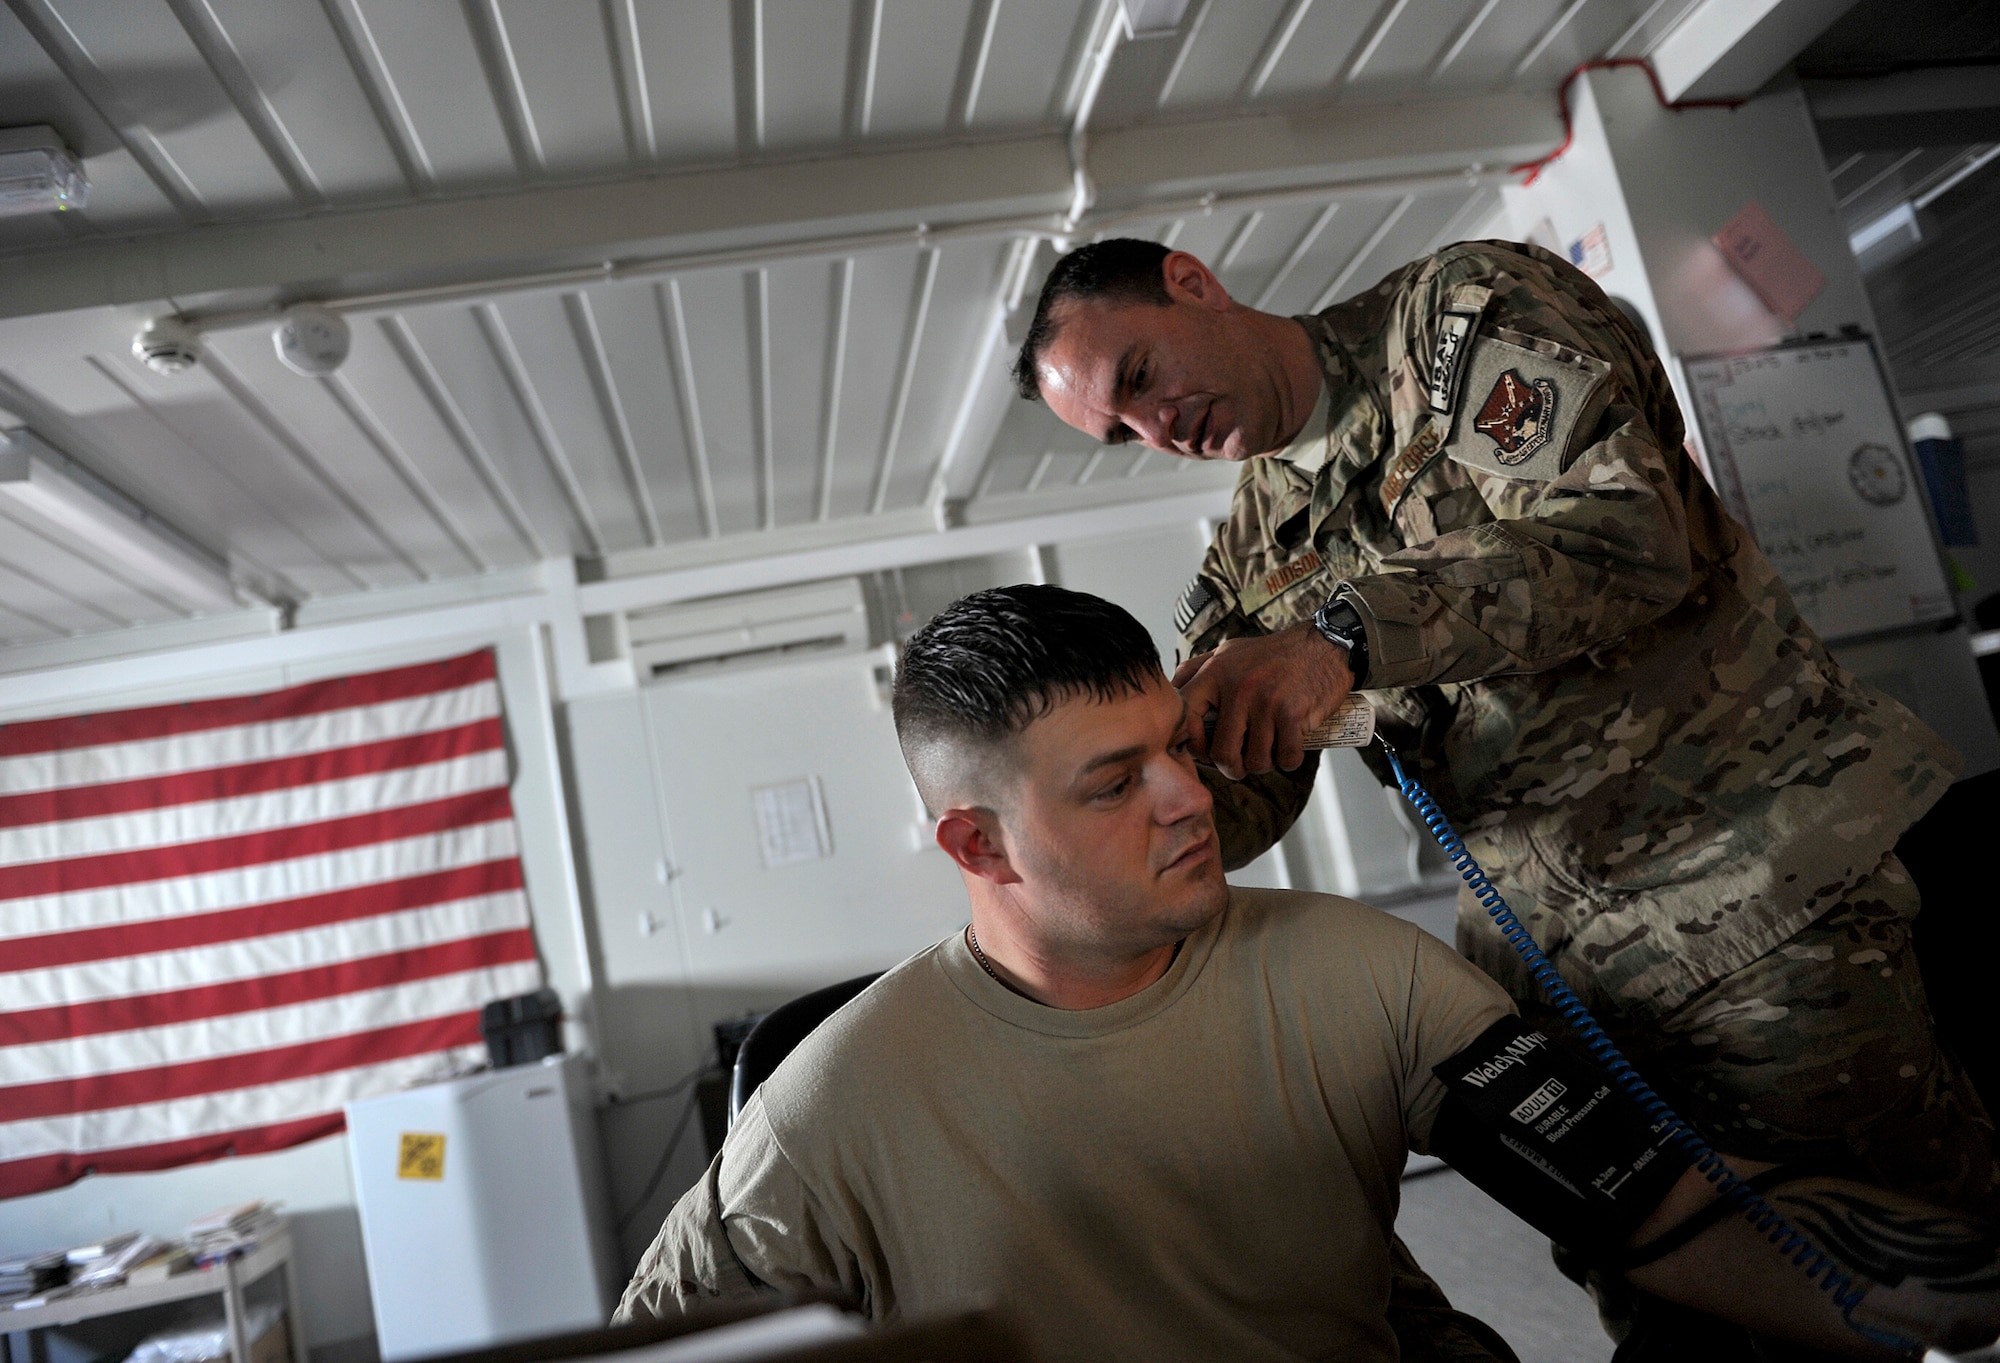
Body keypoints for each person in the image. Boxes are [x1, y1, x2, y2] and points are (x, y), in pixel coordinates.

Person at [615, 585, 2000, 1363]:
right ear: (979, 839)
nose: (1191, 793)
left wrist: (1949, 1304)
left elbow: (1664, 1212)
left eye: (1177, 743)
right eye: (1117, 780)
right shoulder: (824, 1115)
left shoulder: (1362, 977)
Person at [1010, 238, 1998, 1233]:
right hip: (1559, 984)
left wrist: (1342, 637)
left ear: (1193, 284)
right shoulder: (1251, 550)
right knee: (1687, 1289)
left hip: (1744, 890)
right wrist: (1090, 816)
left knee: (1902, 1249)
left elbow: (1621, 533)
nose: (1155, 425)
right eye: (1120, 430)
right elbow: (1242, 780)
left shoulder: (1458, 317)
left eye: (1139, 375)